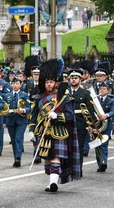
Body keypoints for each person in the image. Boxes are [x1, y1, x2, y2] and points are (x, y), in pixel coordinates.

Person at [29, 59, 80, 192]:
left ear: (56, 82)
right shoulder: (39, 97)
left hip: (58, 131)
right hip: (43, 132)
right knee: (47, 159)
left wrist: (57, 116)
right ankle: (51, 180)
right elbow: (34, 116)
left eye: (51, 82)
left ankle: (53, 183)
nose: (49, 85)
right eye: (47, 82)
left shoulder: (64, 97)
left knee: (55, 157)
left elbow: (70, 116)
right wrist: (31, 130)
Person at [68, 68, 96, 170]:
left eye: (76, 78)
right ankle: (69, 167)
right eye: (72, 78)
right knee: (68, 147)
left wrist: (91, 125)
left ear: (80, 80)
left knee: (79, 148)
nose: (73, 80)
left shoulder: (85, 93)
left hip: (80, 123)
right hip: (67, 123)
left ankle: (78, 169)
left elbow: (90, 110)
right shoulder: (65, 93)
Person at [4, 77, 31, 167]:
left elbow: (29, 107)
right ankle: (16, 156)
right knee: (13, 140)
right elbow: (4, 107)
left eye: (17, 84)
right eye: (13, 84)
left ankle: (18, 158)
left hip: (21, 120)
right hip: (10, 119)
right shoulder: (7, 95)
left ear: (20, 84)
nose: (15, 85)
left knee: (18, 139)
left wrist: (23, 110)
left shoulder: (24, 95)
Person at [93, 82, 113, 172]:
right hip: (96, 125)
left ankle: (103, 162)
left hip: (106, 124)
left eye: (104, 89)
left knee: (104, 144)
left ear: (108, 91)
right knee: (97, 144)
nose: (102, 90)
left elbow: (113, 111)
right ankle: (100, 164)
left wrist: (106, 115)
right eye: (101, 88)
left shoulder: (111, 100)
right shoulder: (94, 100)